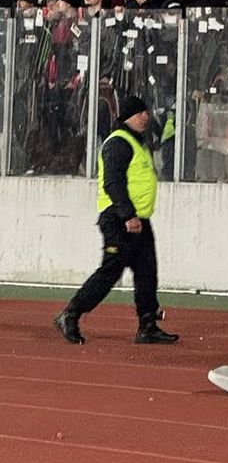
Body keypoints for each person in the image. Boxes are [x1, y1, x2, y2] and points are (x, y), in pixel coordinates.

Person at [54, 94, 178, 346]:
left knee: (147, 271)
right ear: (130, 116)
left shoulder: (137, 142)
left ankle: (148, 325)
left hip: (138, 218)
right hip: (120, 218)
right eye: (142, 113)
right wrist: (128, 214)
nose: (147, 117)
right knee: (111, 271)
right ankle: (71, 313)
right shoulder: (118, 143)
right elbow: (113, 182)